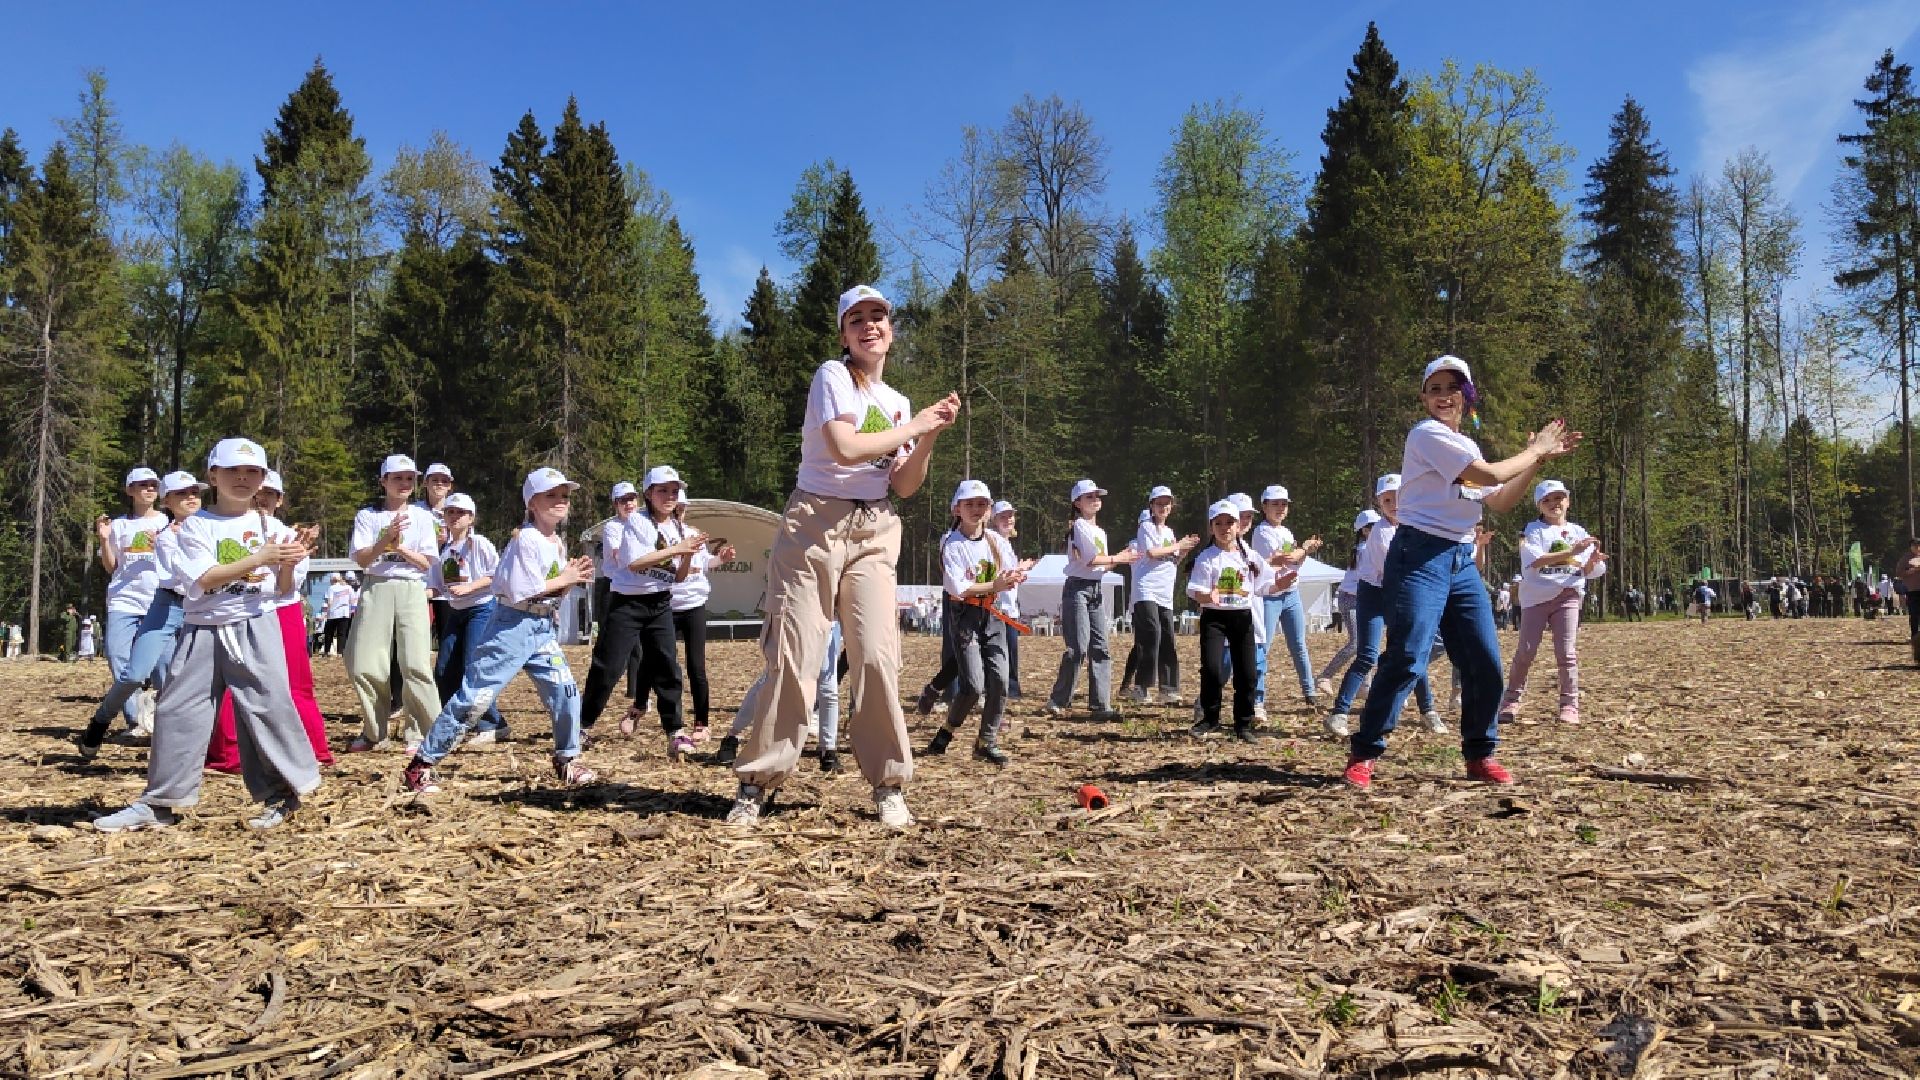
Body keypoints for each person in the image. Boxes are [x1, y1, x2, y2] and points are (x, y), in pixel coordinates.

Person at [726, 285, 958, 828]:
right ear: (844, 334)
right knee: (796, 656)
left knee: (877, 656)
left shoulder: (898, 403)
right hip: (814, 525)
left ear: (891, 331)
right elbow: (845, 448)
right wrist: (917, 425)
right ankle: (758, 781)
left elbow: (903, 485)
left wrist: (928, 438)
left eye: (879, 316)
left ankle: (888, 782)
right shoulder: (833, 376)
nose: (869, 325)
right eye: (857, 319)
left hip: (875, 528)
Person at [1342, 355, 1579, 791]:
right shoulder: (1425, 435)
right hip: (1418, 556)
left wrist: (1535, 464)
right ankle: (1365, 752)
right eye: (1434, 389)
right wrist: (1535, 449)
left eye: (1453, 387)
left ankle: (1479, 753)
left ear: (1466, 396)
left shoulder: (1465, 446)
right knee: (1409, 656)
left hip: (1459, 560)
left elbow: (1500, 499)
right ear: (1424, 399)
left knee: (1484, 661)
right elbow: (1489, 474)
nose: (1443, 396)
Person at [92, 438, 321, 832]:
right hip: (201, 628)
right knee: (178, 709)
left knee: (267, 706)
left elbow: (283, 589)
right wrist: (261, 557)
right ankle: (160, 801)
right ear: (213, 475)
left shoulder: (271, 525)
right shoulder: (193, 527)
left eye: (252, 472)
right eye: (233, 471)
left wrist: (289, 560)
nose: (243, 479)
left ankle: (284, 793)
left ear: (263, 479)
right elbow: (205, 578)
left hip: (254, 625)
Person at [403, 468, 599, 794]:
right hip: (511, 626)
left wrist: (570, 581)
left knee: (565, 691)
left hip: (540, 627)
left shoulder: (556, 543)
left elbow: (550, 593)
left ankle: (567, 759)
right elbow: (524, 591)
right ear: (531, 503)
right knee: (475, 699)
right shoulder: (526, 540)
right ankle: (421, 765)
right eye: (551, 495)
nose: (560, 502)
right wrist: (565, 578)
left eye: (564, 496)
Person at [205, 470, 332, 771]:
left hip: (281, 609)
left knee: (295, 684)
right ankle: (228, 754)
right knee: (230, 682)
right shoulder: (224, 527)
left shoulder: (287, 534)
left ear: (280, 499)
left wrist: (288, 563)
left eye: (270, 494)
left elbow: (286, 587)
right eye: (258, 494)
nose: (262, 499)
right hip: (237, 608)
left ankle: (313, 750)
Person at [582, 465, 705, 759]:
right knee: (608, 668)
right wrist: (679, 550)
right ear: (648, 493)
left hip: (660, 602)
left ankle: (674, 731)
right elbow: (636, 564)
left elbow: (677, 577)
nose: (670, 496)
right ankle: (581, 726)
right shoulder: (637, 522)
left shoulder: (676, 528)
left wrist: (688, 554)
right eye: (662, 490)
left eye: (674, 491)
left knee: (667, 666)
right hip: (627, 603)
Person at [77, 472, 202, 758]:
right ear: (168, 500)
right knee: (131, 672)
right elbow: (112, 567)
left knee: (170, 673)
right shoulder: (149, 529)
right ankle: (104, 720)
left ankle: (168, 733)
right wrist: (105, 540)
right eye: (183, 493)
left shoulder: (200, 525)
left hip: (191, 605)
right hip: (152, 602)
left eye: (195, 492)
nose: (191, 498)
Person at [1324, 475, 1443, 740]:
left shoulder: (1420, 527)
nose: (1394, 504)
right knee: (1367, 655)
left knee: (1413, 652)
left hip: (1402, 592)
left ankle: (1428, 711)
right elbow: (1395, 573)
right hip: (1375, 594)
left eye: (1399, 497)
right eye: (1387, 499)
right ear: (1379, 503)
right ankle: (1339, 713)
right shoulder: (1381, 532)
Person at [924, 480, 1033, 764]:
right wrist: (996, 585)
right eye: (969, 504)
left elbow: (1008, 571)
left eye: (981, 504)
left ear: (989, 510)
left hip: (993, 615)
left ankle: (986, 740)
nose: (976, 509)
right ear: (956, 508)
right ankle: (948, 729)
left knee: (999, 680)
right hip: (965, 616)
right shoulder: (952, 545)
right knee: (973, 685)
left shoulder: (996, 541)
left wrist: (1018, 574)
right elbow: (959, 588)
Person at [344, 455, 442, 753]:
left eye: (409, 478)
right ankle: (375, 731)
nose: (404, 483)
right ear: (383, 481)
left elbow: (427, 563)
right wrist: (384, 539)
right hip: (376, 587)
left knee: (415, 663)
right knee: (362, 662)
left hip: (412, 588)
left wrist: (398, 546)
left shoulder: (424, 517)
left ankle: (424, 733)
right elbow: (361, 559)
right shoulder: (367, 516)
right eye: (397, 478)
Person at [1498, 481, 1607, 726]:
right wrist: (1571, 551)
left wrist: (1592, 560)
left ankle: (1569, 705)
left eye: (1559, 498)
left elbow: (1588, 570)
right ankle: (1511, 701)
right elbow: (1534, 561)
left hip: (1568, 594)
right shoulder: (1531, 531)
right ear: (1539, 505)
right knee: (1526, 650)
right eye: (1546, 500)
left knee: (1566, 652)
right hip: (1536, 597)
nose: (1554, 504)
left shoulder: (1579, 531)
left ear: (1567, 501)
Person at [634, 489, 736, 744]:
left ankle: (701, 722)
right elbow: (655, 565)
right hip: (666, 605)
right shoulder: (654, 533)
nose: (678, 511)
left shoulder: (691, 534)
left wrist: (719, 560)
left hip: (693, 605)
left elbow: (702, 564)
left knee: (696, 667)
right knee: (655, 660)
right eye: (675, 507)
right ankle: (638, 706)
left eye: (682, 508)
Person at [1189, 500, 1296, 741]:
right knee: (1213, 670)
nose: (1225, 527)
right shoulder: (1206, 557)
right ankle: (1210, 719)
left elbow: (1264, 585)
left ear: (1238, 526)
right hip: (1214, 618)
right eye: (1219, 523)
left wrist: (1281, 584)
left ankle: (1243, 724)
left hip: (1242, 616)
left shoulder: (1249, 556)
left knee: (1247, 673)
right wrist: (1207, 595)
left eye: (1230, 522)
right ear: (1211, 527)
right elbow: (1193, 589)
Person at [1046, 479, 1141, 720]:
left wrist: (1117, 559)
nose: (1096, 500)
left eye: (1097, 496)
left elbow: (1100, 563)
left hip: (1094, 590)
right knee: (1077, 647)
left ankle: (1101, 705)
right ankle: (1059, 699)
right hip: (1077, 589)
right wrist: (1120, 558)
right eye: (1089, 497)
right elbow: (1092, 559)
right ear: (1077, 503)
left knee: (1101, 647)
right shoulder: (1079, 526)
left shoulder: (1099, 531)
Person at [428, 492, 507, 744]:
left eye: (460, 513)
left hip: (481, 609)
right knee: (443, 669)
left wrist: (469, 588)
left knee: (474, 667)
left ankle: (493, 723)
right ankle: (457, 721)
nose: (454, 517)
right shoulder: (443, 549)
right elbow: (437, 586)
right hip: (456, 611)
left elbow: (496, 574)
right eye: (450, 512)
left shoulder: (479, 543)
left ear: (471, 517)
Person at [95, 467, 168, 729]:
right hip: (123, 600)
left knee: (163, 665)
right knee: (120, 659)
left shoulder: (168, 522)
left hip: (159, 600)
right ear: (130, 490)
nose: (149, 489)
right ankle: (136, 721)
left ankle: (163, 721)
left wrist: (162, 544)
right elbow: (112, 566)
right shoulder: (118, 525)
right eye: (142, 485)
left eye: (153, 485)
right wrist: (104, 541)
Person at [1250, 485, 1322, 715]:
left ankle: (1309, 692)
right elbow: (1283, 559)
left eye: (1284, 504)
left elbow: (1294, 562)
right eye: (1275, 504)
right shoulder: (1261, 532)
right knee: (1264, 647)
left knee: (1299, 645)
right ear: (1264, 507)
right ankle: (1256, 697)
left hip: (1291, 593)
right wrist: (1305, 548)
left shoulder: (1287, 532)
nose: (1280, 508)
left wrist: (1303, 553)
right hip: (1270, 595)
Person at [1124, 486, 1198, 706]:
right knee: (1152, 634)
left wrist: (1185, 549)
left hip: (1165, 592)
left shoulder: (1169, 533)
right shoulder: (1146, 527)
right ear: (1151, 507)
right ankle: (1142, 686)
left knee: (1167, 636)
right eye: (1158, 504)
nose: (1163, 507)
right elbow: (1152, 553)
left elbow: (1173, 560)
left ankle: (1169, 688)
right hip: (1146, 589)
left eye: (1167, 504)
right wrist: (1178, 545)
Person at [1315, 511, 1377, 698]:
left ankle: (1365, 686)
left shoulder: (1366, 548)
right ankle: (1325, 677)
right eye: (1373, 527)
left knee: (1368, 644)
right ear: (1365, 531)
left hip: (1362, 599)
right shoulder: (1366, 549)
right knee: (1357, 642)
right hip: (1350, 599)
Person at [988, 501, 1026, 699]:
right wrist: (1019, 570)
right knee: (1000, 649)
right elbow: (998, 572)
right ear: (994, 520)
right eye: (1003, 516)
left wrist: (1019, 572)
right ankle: (1005, 688)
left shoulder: (1005, 542)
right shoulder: (993, 539)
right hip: (1000, 606)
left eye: (1011, 516)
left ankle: (1010, 688)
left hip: (1009, 605)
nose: (1009, 519)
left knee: (1009, 649)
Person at [1894, 538, 1920, 651]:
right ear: (1911, 547)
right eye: (1915, 546)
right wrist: (1911, 571)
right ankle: (1914, 636)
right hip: (1912, 590)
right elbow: (1899, 573)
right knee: (1914, 614)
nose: (1917, 548)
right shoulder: (1905, 559)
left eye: (1919, 546)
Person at [322, 574, 354, 655]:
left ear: (333, 579)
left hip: (333, 613)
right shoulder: (348, 587)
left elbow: (330, 601)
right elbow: (352, 600)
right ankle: (340, 652)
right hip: (344, 613)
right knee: (342, 633)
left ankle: (327, 651)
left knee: (329, 633)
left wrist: (326, 613)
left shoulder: (331, 588)